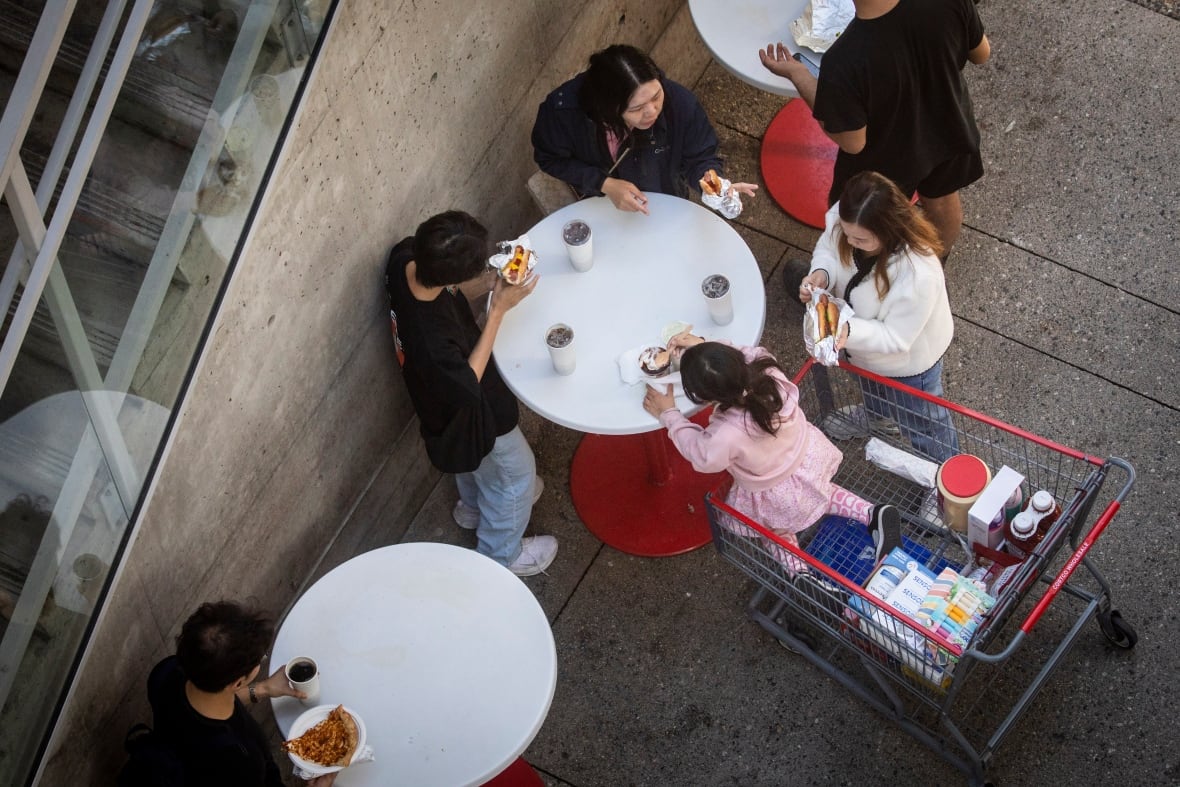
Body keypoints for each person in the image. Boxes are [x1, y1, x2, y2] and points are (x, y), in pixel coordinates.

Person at [385, 211, 557, 576]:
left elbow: (450, 293)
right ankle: (500, 557)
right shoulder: (432, 343)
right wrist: (498, 310)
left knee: (477, 465)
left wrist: (497, 280)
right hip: (469, 412)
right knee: (517, 475)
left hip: (436, 409)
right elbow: (466, 382)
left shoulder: (405, 258)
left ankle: (473, 508)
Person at [641, 335, 901, 568]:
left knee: (774, 528)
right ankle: (870, 512)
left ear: (706, 398)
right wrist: (706, 348)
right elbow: (749, 353)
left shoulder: (725, 433)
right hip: (808, 460)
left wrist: (670, 414)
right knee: (822, 491)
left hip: (775, 493)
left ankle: (798, 571)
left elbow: (701, 455)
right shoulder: (768, 371)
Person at [758, 0, 990, 257]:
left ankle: (860, 280)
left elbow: (852, 141)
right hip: (948, 125)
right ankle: (934, 265)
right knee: (943, 197)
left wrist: (799, 75)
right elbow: (982, 54)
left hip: (885, 163)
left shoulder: (845, 59)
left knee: (864, 228)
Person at [798, 171, 959, 462]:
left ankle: (943, 481)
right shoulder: (847, 217)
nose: (850, 240)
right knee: (872, 391)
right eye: (846, 233)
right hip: (862, 352)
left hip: (908, 367)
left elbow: (896, 338)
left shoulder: (918, 274)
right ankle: (877, 418)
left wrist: (849, 331)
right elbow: (828, 248)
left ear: (888, 229)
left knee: (926, 426)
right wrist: (822, 271)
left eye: (860, 239)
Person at [125, 600, 336, 787]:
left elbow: (203, 709)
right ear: (237, 682)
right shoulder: (239, 760)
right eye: (260, 659)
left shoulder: (166, 672)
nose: (261, 661)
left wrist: (263, 688)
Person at [532, 43, 757, 215]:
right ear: (607, 108)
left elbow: (700, 154)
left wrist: (711, 182)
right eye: (636, 108)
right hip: (600, 206)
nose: (652, 111)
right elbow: (549, 158)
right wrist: (605, 184)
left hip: (664, 197)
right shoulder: (563, 114)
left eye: (656, 96)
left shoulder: (679, 103)